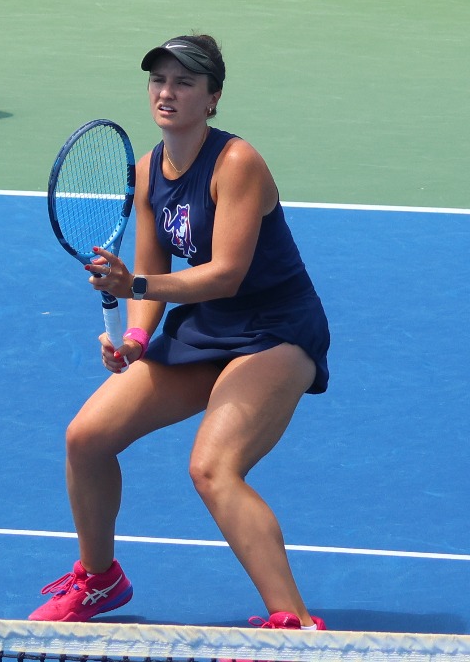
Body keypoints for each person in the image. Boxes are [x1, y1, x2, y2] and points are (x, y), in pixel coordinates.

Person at [29, 35, 332, 631]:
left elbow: (224, 275)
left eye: (185, 83)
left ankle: (293, 624)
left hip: (276, 330)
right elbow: (154, 271)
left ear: (212, 99)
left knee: (213, 468)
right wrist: (135, 341)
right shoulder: (145, 171)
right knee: (86, 437)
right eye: (159, 81)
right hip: (208, 330)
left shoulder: (237, 162)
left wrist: (134, 287)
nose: (167, 93)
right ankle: (99, 579)